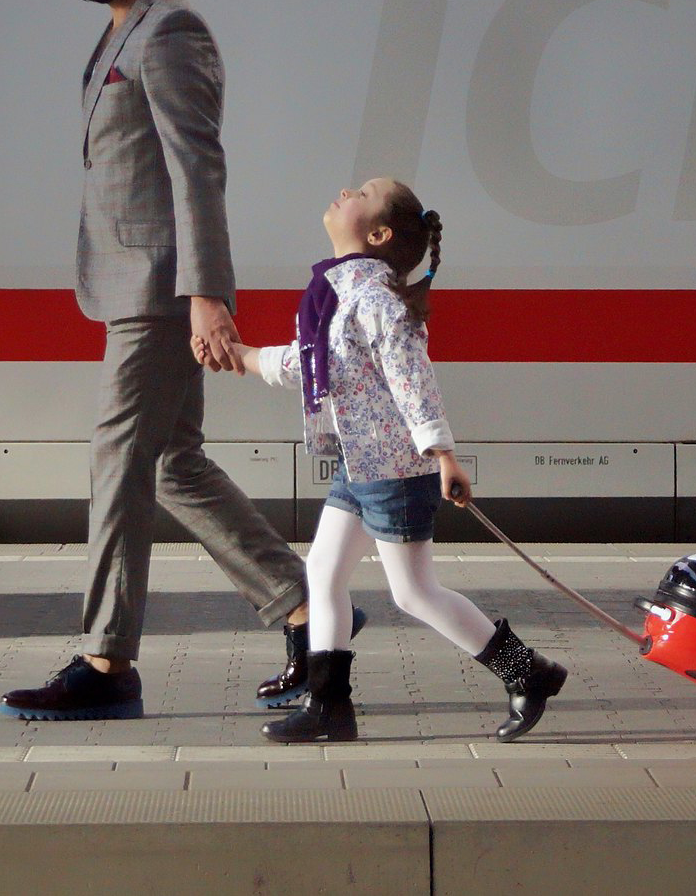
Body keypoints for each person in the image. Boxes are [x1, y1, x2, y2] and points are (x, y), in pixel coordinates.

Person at [0, 0, 336, 721]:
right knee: (171, 463)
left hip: (156, 288)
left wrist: (206, 295)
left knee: (119, 459)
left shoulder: (171, 29)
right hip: (130, 282)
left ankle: (107, 662)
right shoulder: (123, 32)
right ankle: (307, 607)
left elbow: (197, 169)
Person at [216, 178, 568, 743]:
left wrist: (443, 455)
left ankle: (530, 673)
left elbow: (413, 382)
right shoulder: (339, 295)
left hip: (399, 471)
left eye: (359, 192)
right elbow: (313, 366)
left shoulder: (375, 301)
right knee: (323, 574)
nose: (342, 191)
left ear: (376, 233)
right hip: (363, 467)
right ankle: (329, 707)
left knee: (414, 592)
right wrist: (246, 357)